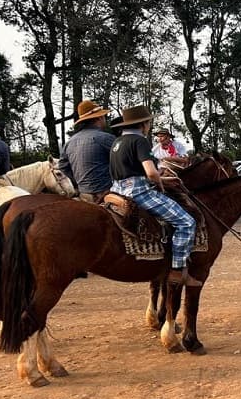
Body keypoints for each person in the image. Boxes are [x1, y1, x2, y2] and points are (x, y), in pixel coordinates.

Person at [109, 105, 197, 286]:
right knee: (187, 222)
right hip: (138, 192)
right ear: (143, 124)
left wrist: (163, 181)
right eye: (149, 122)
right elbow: (150, 172)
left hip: (116, 190)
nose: (149, 126)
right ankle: (177, 271)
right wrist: (160, 184)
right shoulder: (139, 141)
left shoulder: (117, 142)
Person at [58, 100, 115, 203]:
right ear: (99, 118)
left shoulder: (69, 142)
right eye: (104, 117)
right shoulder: (106, 138)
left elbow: (62, 166)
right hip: (108, 193)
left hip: (84, 194)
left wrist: (79, 182)